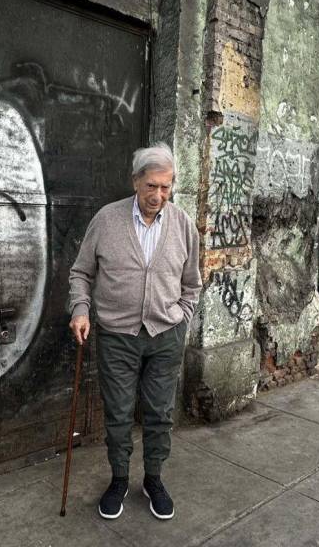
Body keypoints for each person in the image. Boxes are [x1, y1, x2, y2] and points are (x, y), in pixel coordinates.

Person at [68, 143, 201, 521]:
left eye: (166, 187)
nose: (158, 195)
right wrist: (80, 309)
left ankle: (154, 478)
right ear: (135, 182)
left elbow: (192, 283)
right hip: (116, 335)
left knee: (160, 412)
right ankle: (119, 479)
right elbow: (81, 273)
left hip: (166, 334)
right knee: (119, 412)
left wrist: (182, 316)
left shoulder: (183, 225)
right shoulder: (107, 220)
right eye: (151, 187)